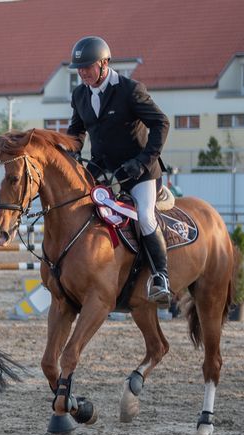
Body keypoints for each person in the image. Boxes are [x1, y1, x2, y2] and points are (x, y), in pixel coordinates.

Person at [66, 36, 172, 306]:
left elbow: (161, 123)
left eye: (87, 67)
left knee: (145, 217)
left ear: (104, 63)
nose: (83, 72)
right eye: (79, 68)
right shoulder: (80, 95)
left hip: (139, 171)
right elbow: (77, 132)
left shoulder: (130, 90)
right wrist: (68, 149)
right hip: (102, 170)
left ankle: (161, 277)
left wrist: (144, 159)